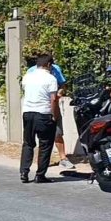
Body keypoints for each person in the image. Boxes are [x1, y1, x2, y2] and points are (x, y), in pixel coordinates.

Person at [27, 58, 74, 169]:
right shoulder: (31, 72)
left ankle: (63, 158)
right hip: (39, 109)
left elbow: (63, 85)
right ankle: (42, 162)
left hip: (53, 104)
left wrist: (59, 93)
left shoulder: (56, 69)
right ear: (47, 64)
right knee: (41, 137)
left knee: (57, 132)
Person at [20, 54, 61, 183]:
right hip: (44, 114)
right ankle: (40, 175)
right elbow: (53, 99)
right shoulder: (51, 79)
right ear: (49, 65)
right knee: (45, 144)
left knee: (28, 143)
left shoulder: (27, 77)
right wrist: (55, 116)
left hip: (27, 113)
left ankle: (24, 172)